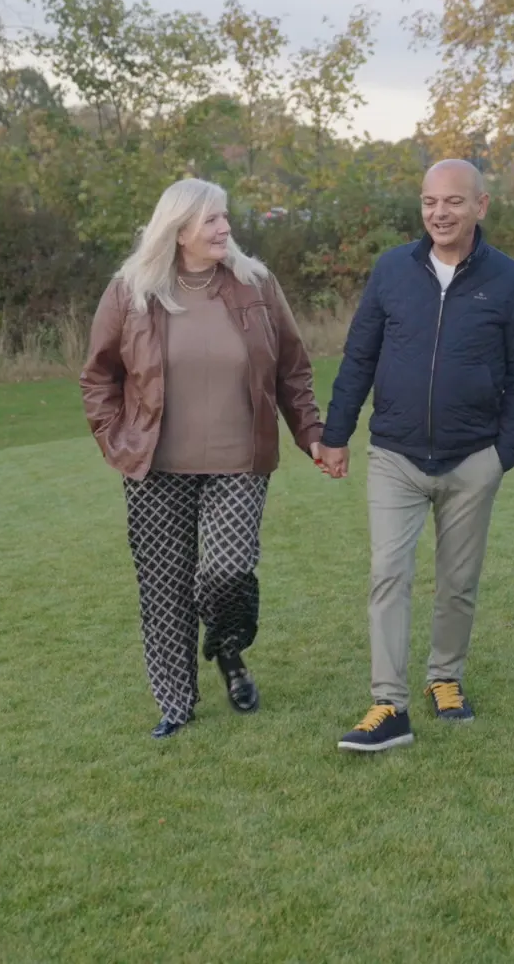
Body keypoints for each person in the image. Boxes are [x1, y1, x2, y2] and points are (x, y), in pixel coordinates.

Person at [81, 178, 327, 740]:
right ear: (179, 228)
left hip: (240, 462)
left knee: (226, 572)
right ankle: (175, 703)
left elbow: (293, 368)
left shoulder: (255, 283)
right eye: (212, 220)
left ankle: (230, 652)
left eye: (225, 218)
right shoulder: (131, 290)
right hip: (155, 468)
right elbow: (99, 375)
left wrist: (310, 431)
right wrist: (115, 438)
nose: (225, 228)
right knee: (164, 589)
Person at [316, 159, 514, 753]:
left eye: (453, 202)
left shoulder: (511, 281)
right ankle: (388, 705)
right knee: (388, 573)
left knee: (458, 582)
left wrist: (503, 454)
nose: (439, 213)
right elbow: (359, 357)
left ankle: (447, 679)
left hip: (474, 458)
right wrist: (335, 434)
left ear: (481, 206)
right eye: (428, 202)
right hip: (396, 454)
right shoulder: (393, 270)